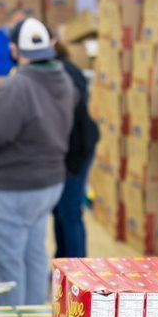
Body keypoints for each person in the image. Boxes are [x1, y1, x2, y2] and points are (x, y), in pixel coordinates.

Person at [0, 18, 76, 306]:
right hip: (50, 183)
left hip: (16, 187)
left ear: (15, 49)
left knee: (7, 259)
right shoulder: (64, 79)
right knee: (34, 253)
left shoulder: (19, 86)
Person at [52, 42, 100, 258]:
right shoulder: (62, 69)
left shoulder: (63, 73)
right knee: (60, 212)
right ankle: (62, 267)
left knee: (70, 213)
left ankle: (78, 274)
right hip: (69, 150)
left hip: (77, 152)